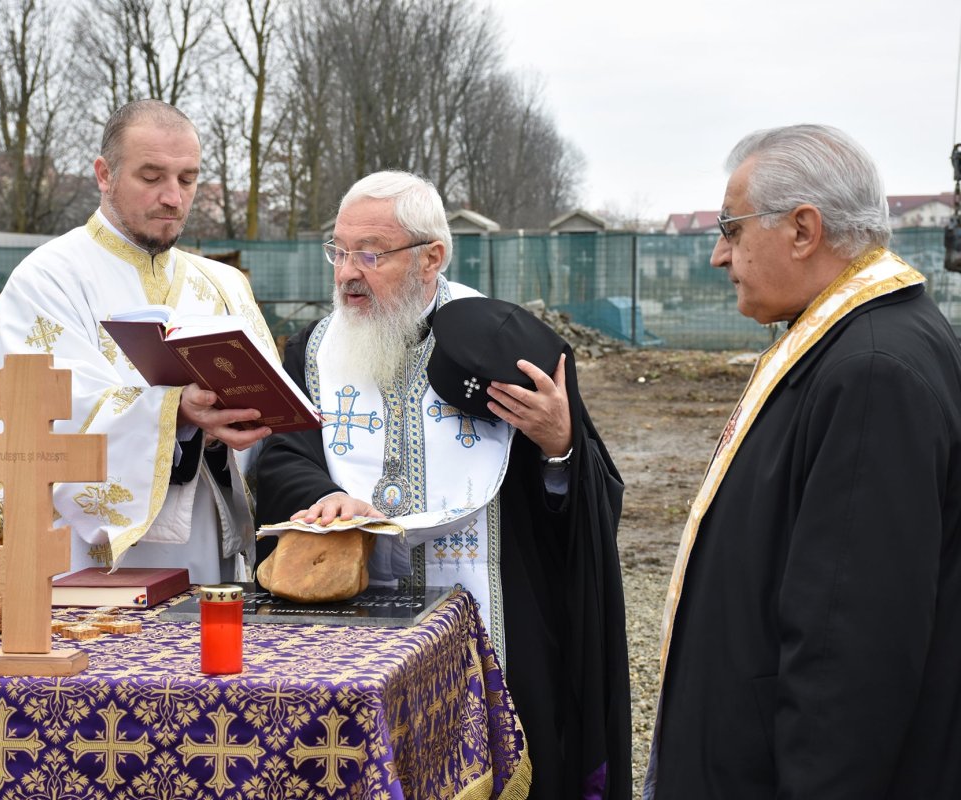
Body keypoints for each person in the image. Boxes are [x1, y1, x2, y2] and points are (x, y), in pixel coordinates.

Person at [254, 170, 631, 800]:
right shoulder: (313, 352)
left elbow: (580, 498)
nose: (347, 272)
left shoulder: (509, 346)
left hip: (498, 622)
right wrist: (322, 496)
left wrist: (557, 445)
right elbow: (285, 457)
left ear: (432, 257)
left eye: (370, 254)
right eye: (339, 251)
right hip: (356, 633)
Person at [644, 124, 961, 799]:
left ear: (803, 229)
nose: (717, 256)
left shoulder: (874, 372)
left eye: (731, 229)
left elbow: (850, 655)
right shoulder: (846, 342)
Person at [0, 100, 274, 583]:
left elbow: (269, 417)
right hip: (86, 554)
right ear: (104, 173)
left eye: (187, 179)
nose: (172, 198)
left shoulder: (225, 283)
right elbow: (47, 419)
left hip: (207, 537)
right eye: (151, 176)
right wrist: (175, 412)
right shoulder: (49, 278)